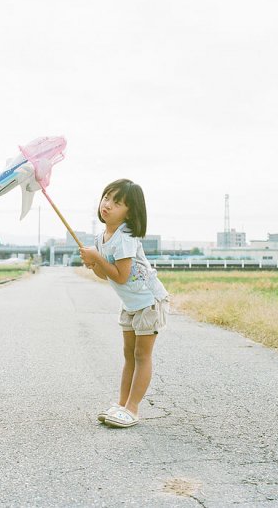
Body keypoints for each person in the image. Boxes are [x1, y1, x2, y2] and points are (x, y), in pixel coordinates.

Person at [80, 179, 169, 428]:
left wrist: (97, 257)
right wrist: (94, 264)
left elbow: (121, 275)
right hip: (131, 303)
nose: (107, 204)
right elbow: (105, 275)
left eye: (117, 203)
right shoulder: (102, 237)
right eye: (106, 197)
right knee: (128, 355)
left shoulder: (126, 237)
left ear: (130, 212)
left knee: (141, 355)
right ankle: (121, 404)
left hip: (148, 301)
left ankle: (133, 408)